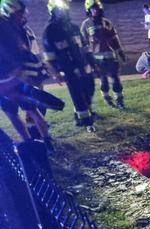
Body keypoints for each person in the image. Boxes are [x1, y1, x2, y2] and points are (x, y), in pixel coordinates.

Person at [0, 0, 53, 146]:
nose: (22, 17)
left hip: (10, 76)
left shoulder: (14, 27)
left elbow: (21, 50)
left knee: (17, 111)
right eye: (18, 13)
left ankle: (33, 141)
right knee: (25, 110)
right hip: (13, 75)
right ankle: (44, 141)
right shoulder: (13, 28)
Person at [43, 0, 96, 132]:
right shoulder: (50, 31)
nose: (61, 12)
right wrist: (56, 73)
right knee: (78, 95)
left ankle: (81, 113)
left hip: (84, 66)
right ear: (53, 12)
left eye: (62, 10)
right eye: (57, 10)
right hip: (68, 69)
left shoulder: (74, 27)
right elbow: (49, 56)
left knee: (90, 90)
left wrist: (92, 62)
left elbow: (85, 48)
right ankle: (86, 122)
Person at [81, 0, 126, 109]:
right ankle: (107, 99)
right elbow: (83, 43)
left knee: (115, 79)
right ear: (89, 11)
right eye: (93, 9)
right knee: (103, 80)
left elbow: (115, 39)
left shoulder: (106, 22)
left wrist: (120, 52)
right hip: (97, 59)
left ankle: (119, 100)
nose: (95, 11)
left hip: (111, 56)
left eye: (97, 8)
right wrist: (86, 59)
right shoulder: (86, 24)